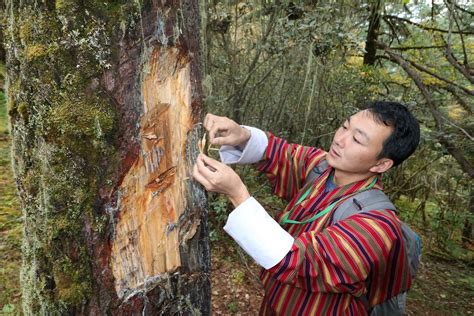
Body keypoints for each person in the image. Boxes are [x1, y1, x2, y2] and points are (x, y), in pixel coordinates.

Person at [192, 101, 420, 315]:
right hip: (275, 305)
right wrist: (242, 135)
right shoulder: (322, 166)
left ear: (381, 164)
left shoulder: (376, 226)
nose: (340, 139)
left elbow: (301, 263)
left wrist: (237, 193)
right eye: (344, 127)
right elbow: (282, 154)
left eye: (357, 140)